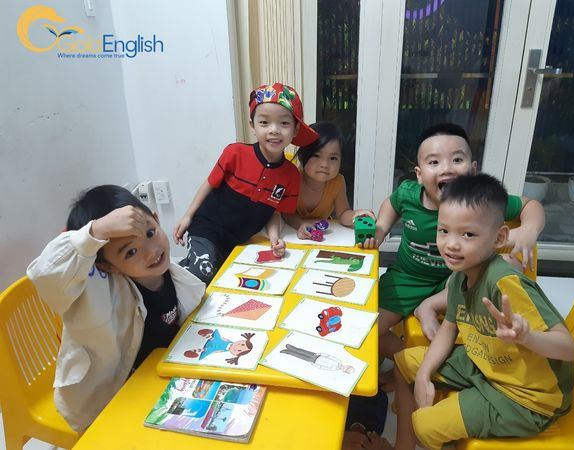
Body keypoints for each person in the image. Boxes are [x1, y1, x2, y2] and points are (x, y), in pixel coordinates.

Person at [364, 174, 574, 450]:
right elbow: (448, 328)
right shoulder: (460, 274)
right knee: (404, 363)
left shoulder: (505, 283)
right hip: (484, 362)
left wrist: (528, 337)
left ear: (499, 237)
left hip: (527, 395)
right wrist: (424, 375)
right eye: (444, 231)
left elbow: (569, 348)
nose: (451, 244)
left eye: (468, 234)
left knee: (425, 427)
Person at [361, 123, 545, 373]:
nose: (446, 168)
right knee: (367, 329)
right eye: (434, 162)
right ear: (419, 174)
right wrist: (381, 228)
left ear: (473, 170)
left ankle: (429, 307)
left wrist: (529, 229)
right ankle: (411, 362)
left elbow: (529, 205)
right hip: (408, 277)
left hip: (456, 279)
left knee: (505, 267)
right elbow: (391, 205)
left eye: (457, 159)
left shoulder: (481, 201)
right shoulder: (408, 194)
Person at [27, 185, 206, 431]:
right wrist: (96, 231)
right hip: (114, 398)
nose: (151, 251)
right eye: (131, 251)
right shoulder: (95, 293)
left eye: (150, 233)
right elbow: (43, 273)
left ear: (156, 219)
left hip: (161, 376)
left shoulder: (172, 274)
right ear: (108, 266)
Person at [174, 83, 318, 283]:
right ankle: (171, 279)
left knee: (233, 281)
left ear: (296, 130)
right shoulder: (235, 153)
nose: (274, 130)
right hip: (207, 229)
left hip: (238, 241)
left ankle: (186, 268)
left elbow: (275, 212)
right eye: (264, 122)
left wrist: (274, 238)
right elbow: (210, 183)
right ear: (253, 126)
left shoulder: (291, 175)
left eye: (284, 123)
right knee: (203, 274)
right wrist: (187, 216)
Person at [283, 121, 375, 239]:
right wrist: (301, 224)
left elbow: (343, 214)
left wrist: (356, 215)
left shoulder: (337, 182)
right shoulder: (293, 179)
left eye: (333, 158)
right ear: (302, 156)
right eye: (316, 155)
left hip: (322, 238)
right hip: (289, 235)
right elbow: (286, 213)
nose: (325, 164)